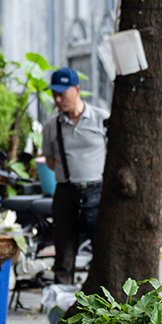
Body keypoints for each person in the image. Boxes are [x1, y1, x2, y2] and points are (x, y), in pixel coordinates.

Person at [41, 68, 106, 286]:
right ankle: (62, 305)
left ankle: (101, 304)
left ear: (77, 90)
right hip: (66, 193)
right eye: (54, 95)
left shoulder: (101, 119)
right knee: (64, 256)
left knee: (103, 253)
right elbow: (50, 161)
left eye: (63, 94)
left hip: (98, 192)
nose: (58, 100)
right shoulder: (51, 126)